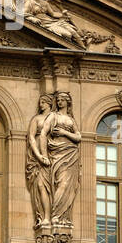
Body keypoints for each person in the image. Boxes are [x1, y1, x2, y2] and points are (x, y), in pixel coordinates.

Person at [41, 91, 81, 227]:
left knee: (66, 185)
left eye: (62, 100)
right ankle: (55, 215)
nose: (59, 102)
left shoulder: (71, 119)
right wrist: (43, 155)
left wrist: (64, 132)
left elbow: (78, 137)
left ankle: (59, 215)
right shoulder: (53, 116)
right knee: (60, 184)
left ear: (67, 102)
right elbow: (42, 134)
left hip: (71, 154)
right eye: (58, 100)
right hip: (57, 154)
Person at [25, 93, 54, 226]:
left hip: (53, 153)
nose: (40, 104)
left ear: (49, 103)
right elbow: (31, 138)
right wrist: (39, 155)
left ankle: (51, 216)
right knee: (41, 186)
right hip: (38, 157)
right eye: (40, 102)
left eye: (43, 102)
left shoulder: (55, 118)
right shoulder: (36, 119)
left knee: (52, 188)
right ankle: (44, 217)